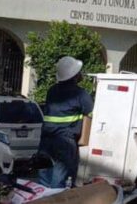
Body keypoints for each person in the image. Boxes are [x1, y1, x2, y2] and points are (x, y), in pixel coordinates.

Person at [38, 56, 94, 188]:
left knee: (44, 180)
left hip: (46, 140)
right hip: (64, 141)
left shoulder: (51, 91)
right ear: (74, 75)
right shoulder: (80, 94)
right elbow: (91, 114)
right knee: (59, 181)